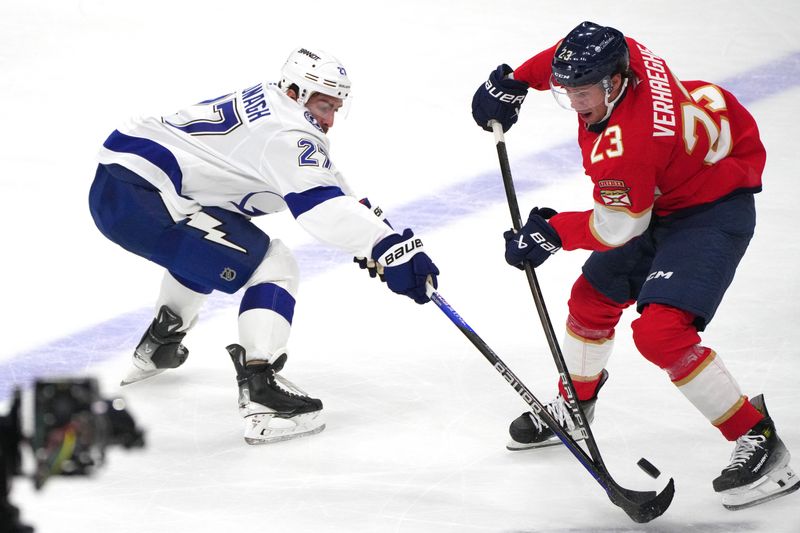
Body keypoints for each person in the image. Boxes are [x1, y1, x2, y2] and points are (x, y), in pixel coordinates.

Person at [471, 21, 797, 509]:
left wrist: (554, 231)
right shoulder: (622, 54)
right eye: (568, 90)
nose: (575, 102)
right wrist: (519, 80)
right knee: (590, 299)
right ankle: (578, 408)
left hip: (711, 209)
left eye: (584, 93)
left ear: (615, 81)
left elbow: (617, 226)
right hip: (672, 187)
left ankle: (761, 440)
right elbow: (565, 54)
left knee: (661, 333)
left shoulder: (630, 142)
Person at [89, 47, 439, 445]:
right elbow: (320, 209)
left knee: (211, 246)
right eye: (324, 105)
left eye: (336, 108)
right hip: (146, 196)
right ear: (295, 92)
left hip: (121, 184)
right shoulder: (287, 135)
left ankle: (160, 343)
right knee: (274, 265)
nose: (330, 119)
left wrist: (382, 236)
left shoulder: (275, 106)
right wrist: (384, 246)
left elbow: (334, 189)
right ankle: (262, 393)